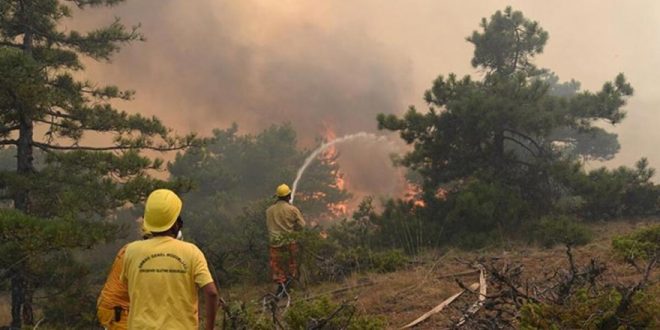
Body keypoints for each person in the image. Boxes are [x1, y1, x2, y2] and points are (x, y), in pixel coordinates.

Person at [121, 189, 218, 329]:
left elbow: (127, 290)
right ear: (177, 223)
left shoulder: (131, 251)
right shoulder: (192, 252)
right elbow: (212, 293)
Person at [266, 184, 306, 295]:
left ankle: (282, 287)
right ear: (288, 196)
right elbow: (302, 225)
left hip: (275, 244)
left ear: (277, 197)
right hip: (289, 243)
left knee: (277, 266)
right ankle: (289, 285)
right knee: (291, 264)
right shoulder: (292, 209)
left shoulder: (269, 210)